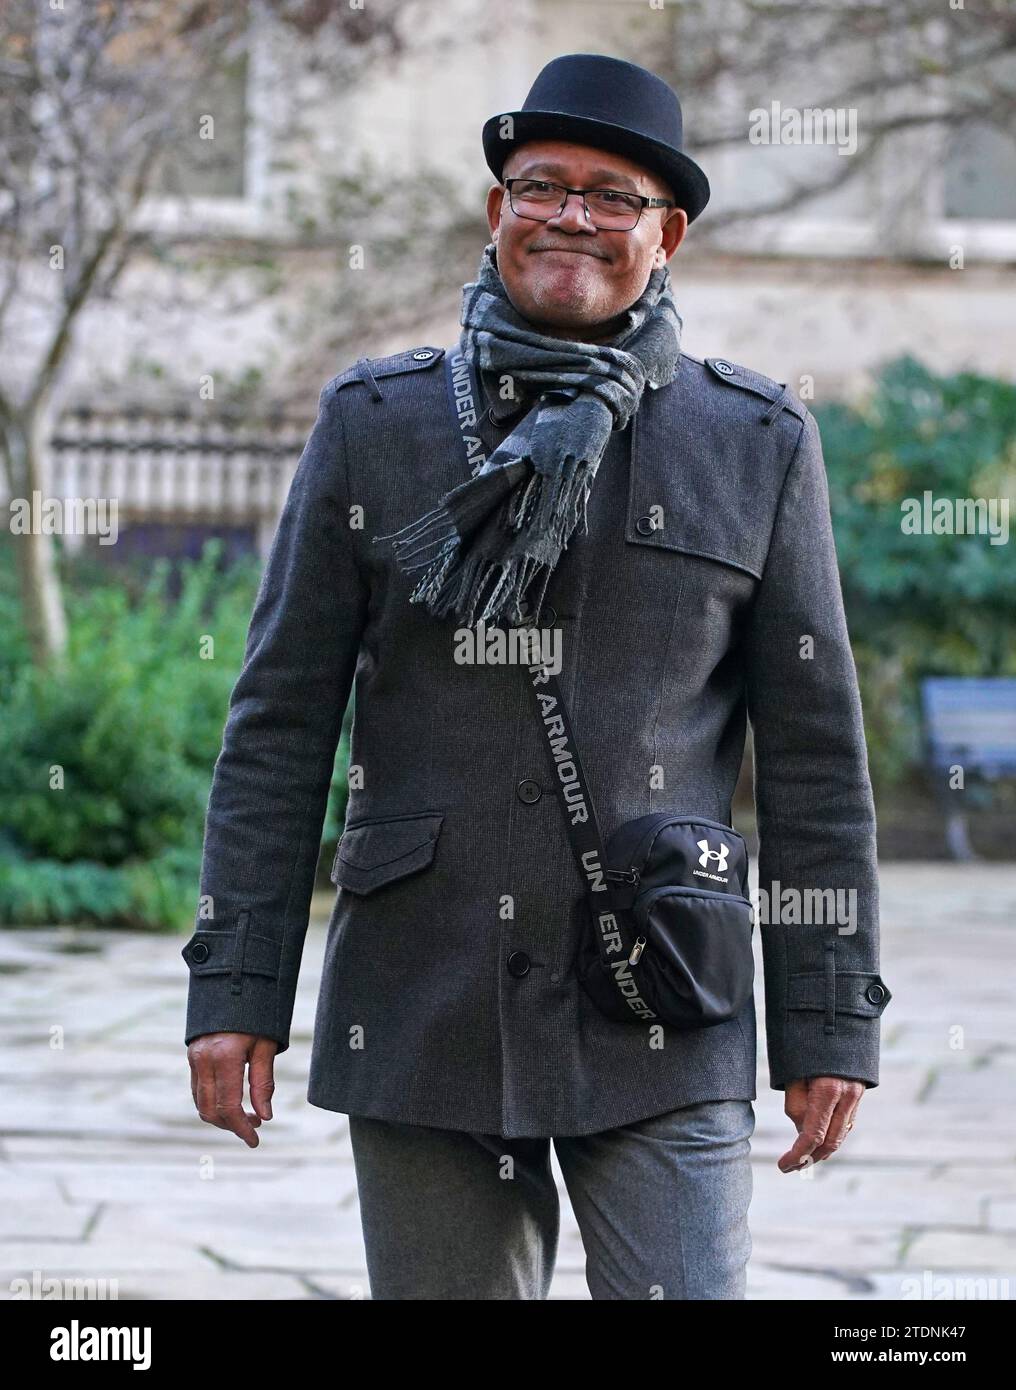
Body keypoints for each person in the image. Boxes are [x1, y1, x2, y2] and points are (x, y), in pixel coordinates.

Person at [182, 52, 892, 1300]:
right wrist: (235, 986)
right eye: (540, 185)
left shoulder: (755, 440)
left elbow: (816, 762)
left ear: (664, 233)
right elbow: (280, 725)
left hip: (662, 996)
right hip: (423, 994)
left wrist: (827, 1018)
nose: (571, 215)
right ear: (495, 211)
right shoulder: (377, 421)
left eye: (612, 195)